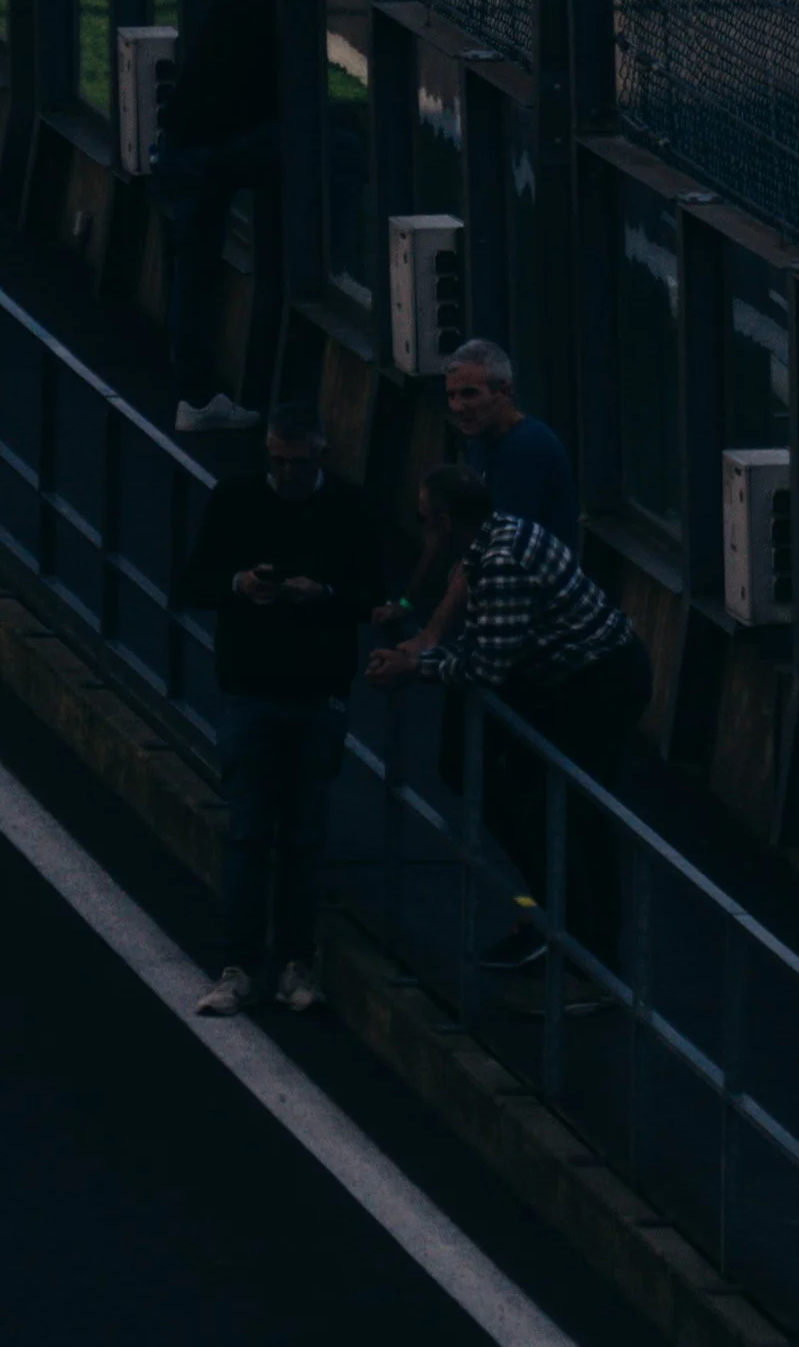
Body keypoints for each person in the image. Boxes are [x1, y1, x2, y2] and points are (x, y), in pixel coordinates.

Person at [369, 467, 650, 974]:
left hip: (599, 683)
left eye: (424, 518)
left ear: (445, 521)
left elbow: (486, 666)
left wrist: (416, 664)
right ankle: (558, 917)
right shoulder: (504, 534)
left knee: (567, 811)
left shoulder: (500, 563)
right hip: (576, 670)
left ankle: (589, 949)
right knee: (537, 800)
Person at [181, 405, 385, 1016]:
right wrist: (239, 584)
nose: (287, 473)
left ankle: (291, 961)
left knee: (297, 834)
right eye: (277, 461)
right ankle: (244, 964)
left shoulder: (348, 509)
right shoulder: (237, 500)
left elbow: (371, 592)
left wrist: (320, 594)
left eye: (297, 462)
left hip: (310, 691)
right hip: (257, 687)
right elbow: (195, 582)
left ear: (320, 454)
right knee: (251, 833)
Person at [150, 0, 283, 435]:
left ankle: (195, 393)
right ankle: (196, 396)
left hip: (185, 150)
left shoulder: (237, 3)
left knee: (191, 273)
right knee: (334, 147)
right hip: (203, 156)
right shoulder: (270, 11)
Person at [446, 339, 579, 549]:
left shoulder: (527, 448)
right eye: (451, 395)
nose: (457, 406)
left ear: (504, 392)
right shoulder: (481, 442)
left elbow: (507, 543)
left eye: (469, 393)